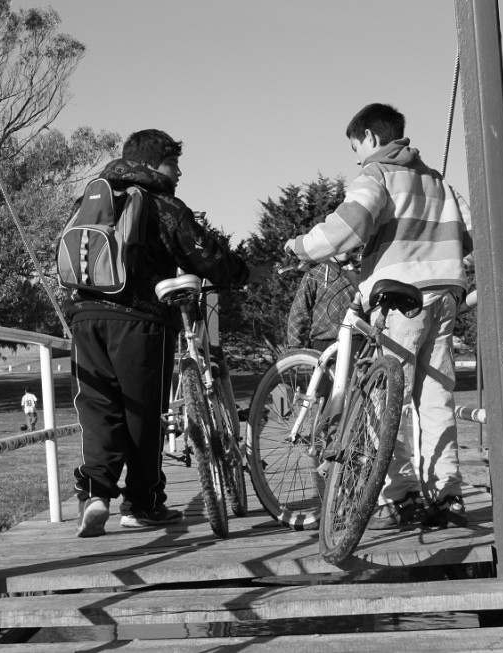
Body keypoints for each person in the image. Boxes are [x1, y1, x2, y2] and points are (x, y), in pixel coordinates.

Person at [68, 128, 267, 538]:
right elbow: (205, 254)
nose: (178, 172)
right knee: (143, 414)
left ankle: (95, 494)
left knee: (99, 409)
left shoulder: (91, 197)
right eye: (173, 163)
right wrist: (245, 273)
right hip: (138, 320)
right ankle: (142, 504)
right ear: (151, 163)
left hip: (85, 318)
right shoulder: (161, 203)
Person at [285, 103, 473, 529]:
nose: (357, 157)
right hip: (446, 291)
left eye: (357, 146)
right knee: (435, 396)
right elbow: (465, 235)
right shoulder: (435, 179)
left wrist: (299, 247)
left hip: (402, 296)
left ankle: (397, 496)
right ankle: (446, 493)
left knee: (383, 396)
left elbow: (348, 224)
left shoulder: (378, 173)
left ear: (371, 137)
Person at [285, 247, 361, 352]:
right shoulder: (315, 272)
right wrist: (295, 345)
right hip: (322, 340)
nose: (347, 249)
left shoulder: (361, 271)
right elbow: (299, 308)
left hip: (355, 339)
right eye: (343, 244)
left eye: (350, 244)